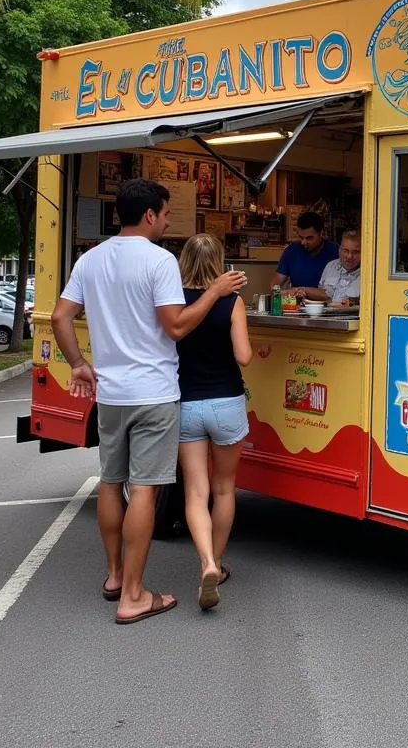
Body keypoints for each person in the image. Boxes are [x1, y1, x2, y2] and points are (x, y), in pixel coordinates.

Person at [50, 179, 247, 625]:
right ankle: (135, 596)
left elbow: (62, 316)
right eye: (166, 213)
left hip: (112, 393)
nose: (168, 220)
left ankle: (115, 576)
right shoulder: (159, 261)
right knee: (145, 488)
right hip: (155, 393)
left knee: (109, 481)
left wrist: (79, 364)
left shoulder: (90, 259)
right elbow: (176, 327)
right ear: (151, 215)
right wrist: (216, 292)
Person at [176, 234, 253, 611]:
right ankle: (216, 565)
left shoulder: (174, 303)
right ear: (219, 261)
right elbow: (244, 356)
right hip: (226, 403)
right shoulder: (231, 302)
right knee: (224, 489)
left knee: (195, 492)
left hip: (186, 404)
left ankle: (205, 560)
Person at [271, 211, 338, 298]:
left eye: (309, 238)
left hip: (327, 306)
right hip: (298, 304)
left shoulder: (335, 251)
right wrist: (283, 292)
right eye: (301, 237)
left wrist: (301, 290)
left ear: (321, 233)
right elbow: (275, 285)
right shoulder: (291, 250)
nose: (303, 242)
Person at [306, 230, 361, 304]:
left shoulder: (369, 272)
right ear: (339, 250)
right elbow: (324, 294)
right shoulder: (331, 266)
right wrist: (305, 293)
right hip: (327, 313)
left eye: (356, 252)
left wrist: (354, 302)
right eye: (345, 251)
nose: (349, 256)